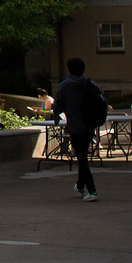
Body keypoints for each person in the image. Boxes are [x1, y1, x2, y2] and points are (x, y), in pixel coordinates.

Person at [52, 57, 104, 202]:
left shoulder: (64, 86)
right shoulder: (90, 84)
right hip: (89, 125)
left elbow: (58, 106)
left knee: (81, 158)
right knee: (82, 157)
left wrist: (57, 118)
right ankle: (80, 186)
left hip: (75, 127)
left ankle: (92, 190)